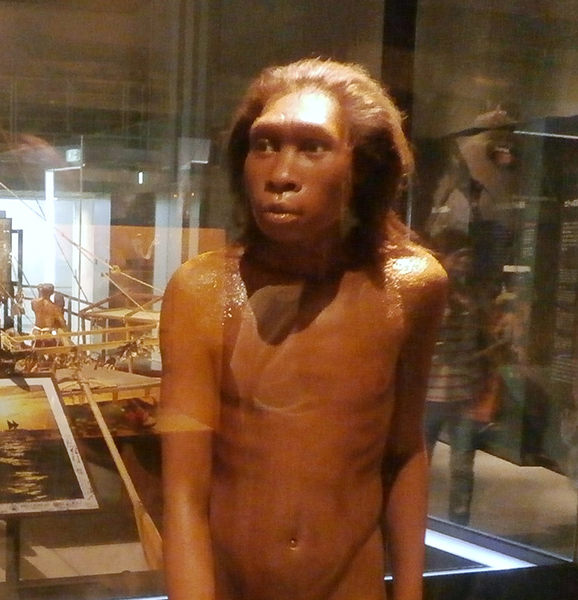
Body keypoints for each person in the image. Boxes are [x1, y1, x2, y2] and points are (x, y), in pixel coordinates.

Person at [159, 58, 447, 600]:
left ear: (360, 165)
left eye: (313, 147)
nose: (281, 174)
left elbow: (404, 450)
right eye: (264, 144)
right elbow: (184, 494)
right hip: (234, 585)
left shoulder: (412, 286)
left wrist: (410, 593)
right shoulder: (202, 291)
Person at [422, 229, 493, 526]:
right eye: (460, 256)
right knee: (418, 463)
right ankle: (409, 519)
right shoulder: (429, 291)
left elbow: (481, 340)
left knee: (463, 463)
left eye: (469, 257)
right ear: (445, 258)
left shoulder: (472, 295)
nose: (465, 263)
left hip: (463, 391)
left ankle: (459, 519)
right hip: (429, 393)